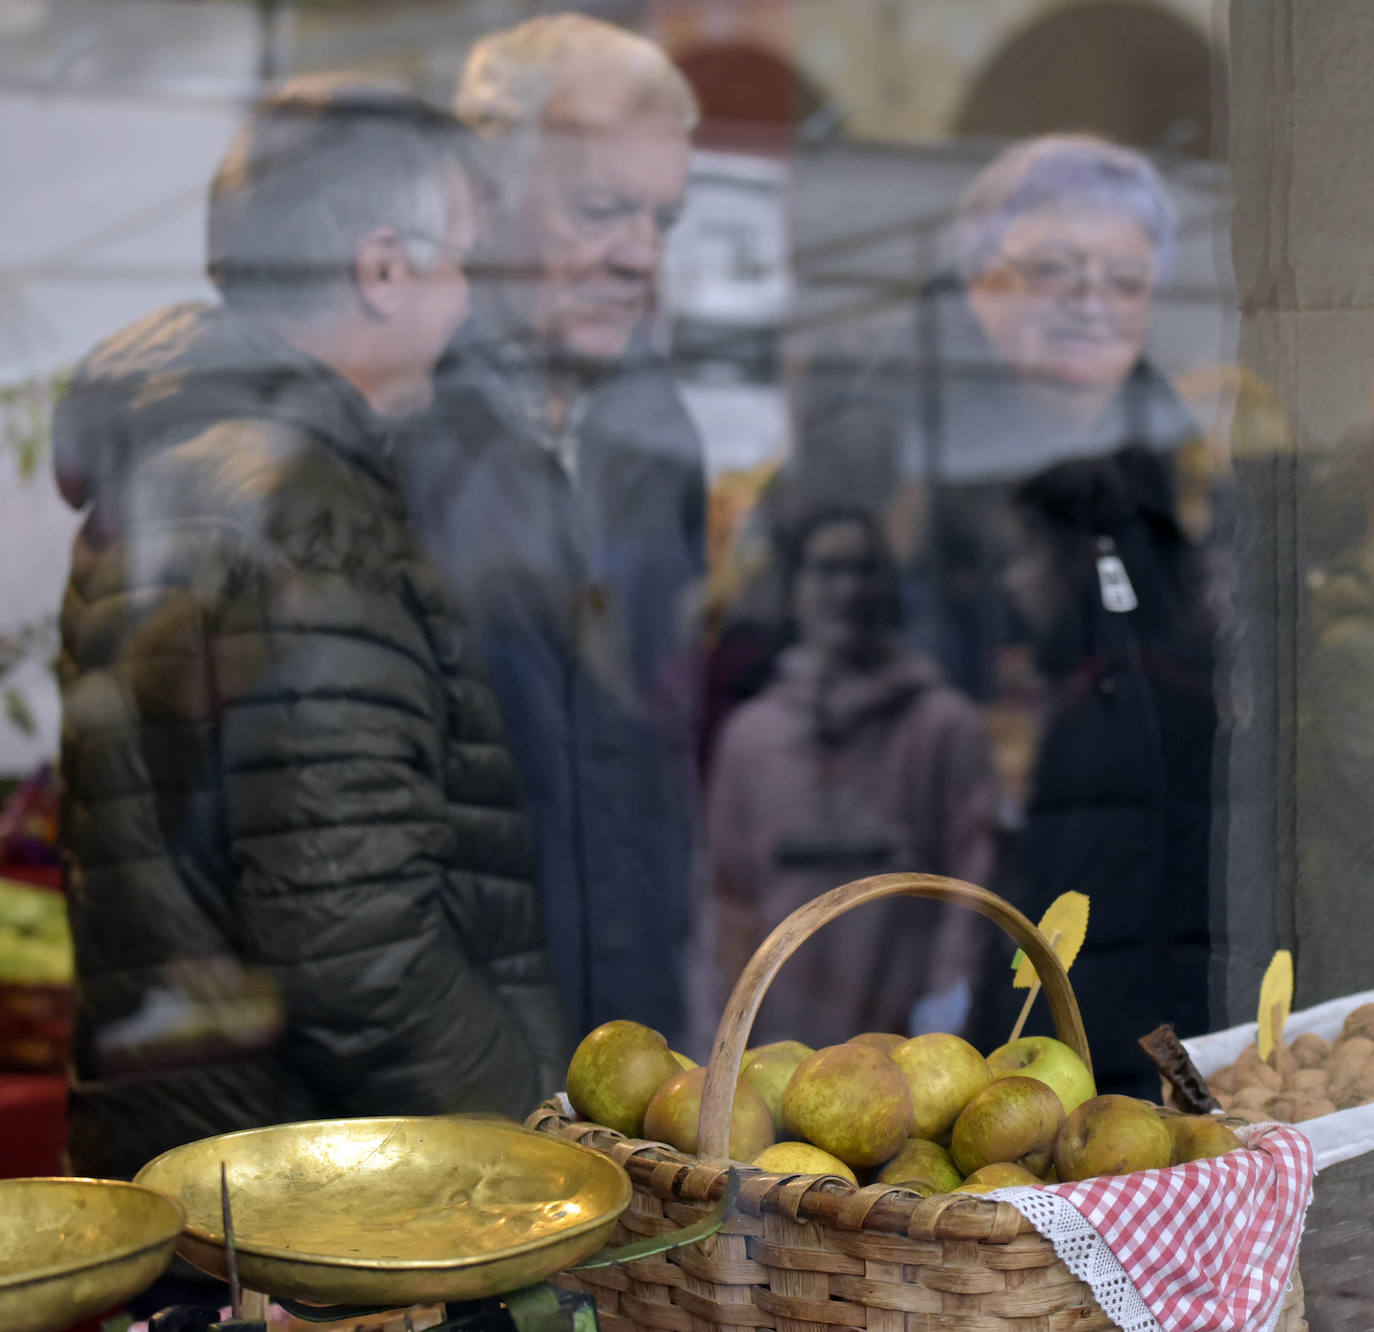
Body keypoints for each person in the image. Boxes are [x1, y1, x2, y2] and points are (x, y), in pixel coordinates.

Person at [53, 76, 565, 1183]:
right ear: (384, 268)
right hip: (318, 1207)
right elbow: (355, 949)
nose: (470, 303)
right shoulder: (297, 506)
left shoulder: (185, 462)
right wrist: (534, 1149)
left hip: (217, 1168)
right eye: (463, 261)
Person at [399, 15, 705, 1047]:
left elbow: (657, 736)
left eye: (663, 219)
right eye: (601, 210)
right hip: (443, 1044)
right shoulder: (392, 407)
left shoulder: (655, 421)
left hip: (632, 1018)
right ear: (482, 202)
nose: (639, 256)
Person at [926, 135, 1216, 1093]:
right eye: (1056, 270)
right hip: (974, 1023)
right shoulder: (917, 482)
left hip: (1180, 992)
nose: (1092, 300)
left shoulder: (1195, 488)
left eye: (1124, 278)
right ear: (983, 284)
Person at [706, 507, 1000, 1047]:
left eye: (864, 569)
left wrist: (947, 1015)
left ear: (889, 586)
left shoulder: (943, 727)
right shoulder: (751, 737)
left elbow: (972, 889)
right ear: (792, 588)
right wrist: (723, 1035)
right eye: (826, 569)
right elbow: (728, 900)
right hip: (777, 1051)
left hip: (909, 1053)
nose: (847, 589)